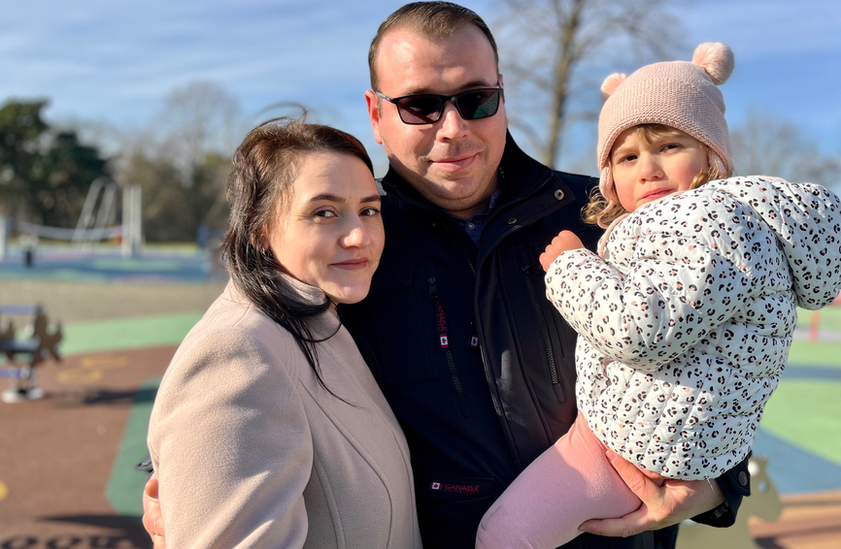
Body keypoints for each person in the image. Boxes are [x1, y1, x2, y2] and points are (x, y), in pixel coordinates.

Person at [144, 4, 753, 548]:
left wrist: (721, 483)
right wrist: (179, 481)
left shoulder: (607, 217)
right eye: (420, 106)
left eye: (475, 99)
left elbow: (731, 348)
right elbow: (249, 365)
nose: (453, 128)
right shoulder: (351, 249)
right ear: (375, 113)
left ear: (502, 96)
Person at [475, 43, 841, 548]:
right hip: (662, 433)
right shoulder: (705, 223)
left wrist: (569, 266)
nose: (648, 169)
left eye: (669, 147)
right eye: (628, 157)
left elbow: (641, 326)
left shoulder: (707, 220)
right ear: (611, 178)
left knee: (504, 537)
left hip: (637, 437)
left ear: (712, 156)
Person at [145, 119, 422, 548]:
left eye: (369, 210)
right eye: (323, 212)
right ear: (259, 230)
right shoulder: (237, 352)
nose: (358, 236)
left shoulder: (321, 326)